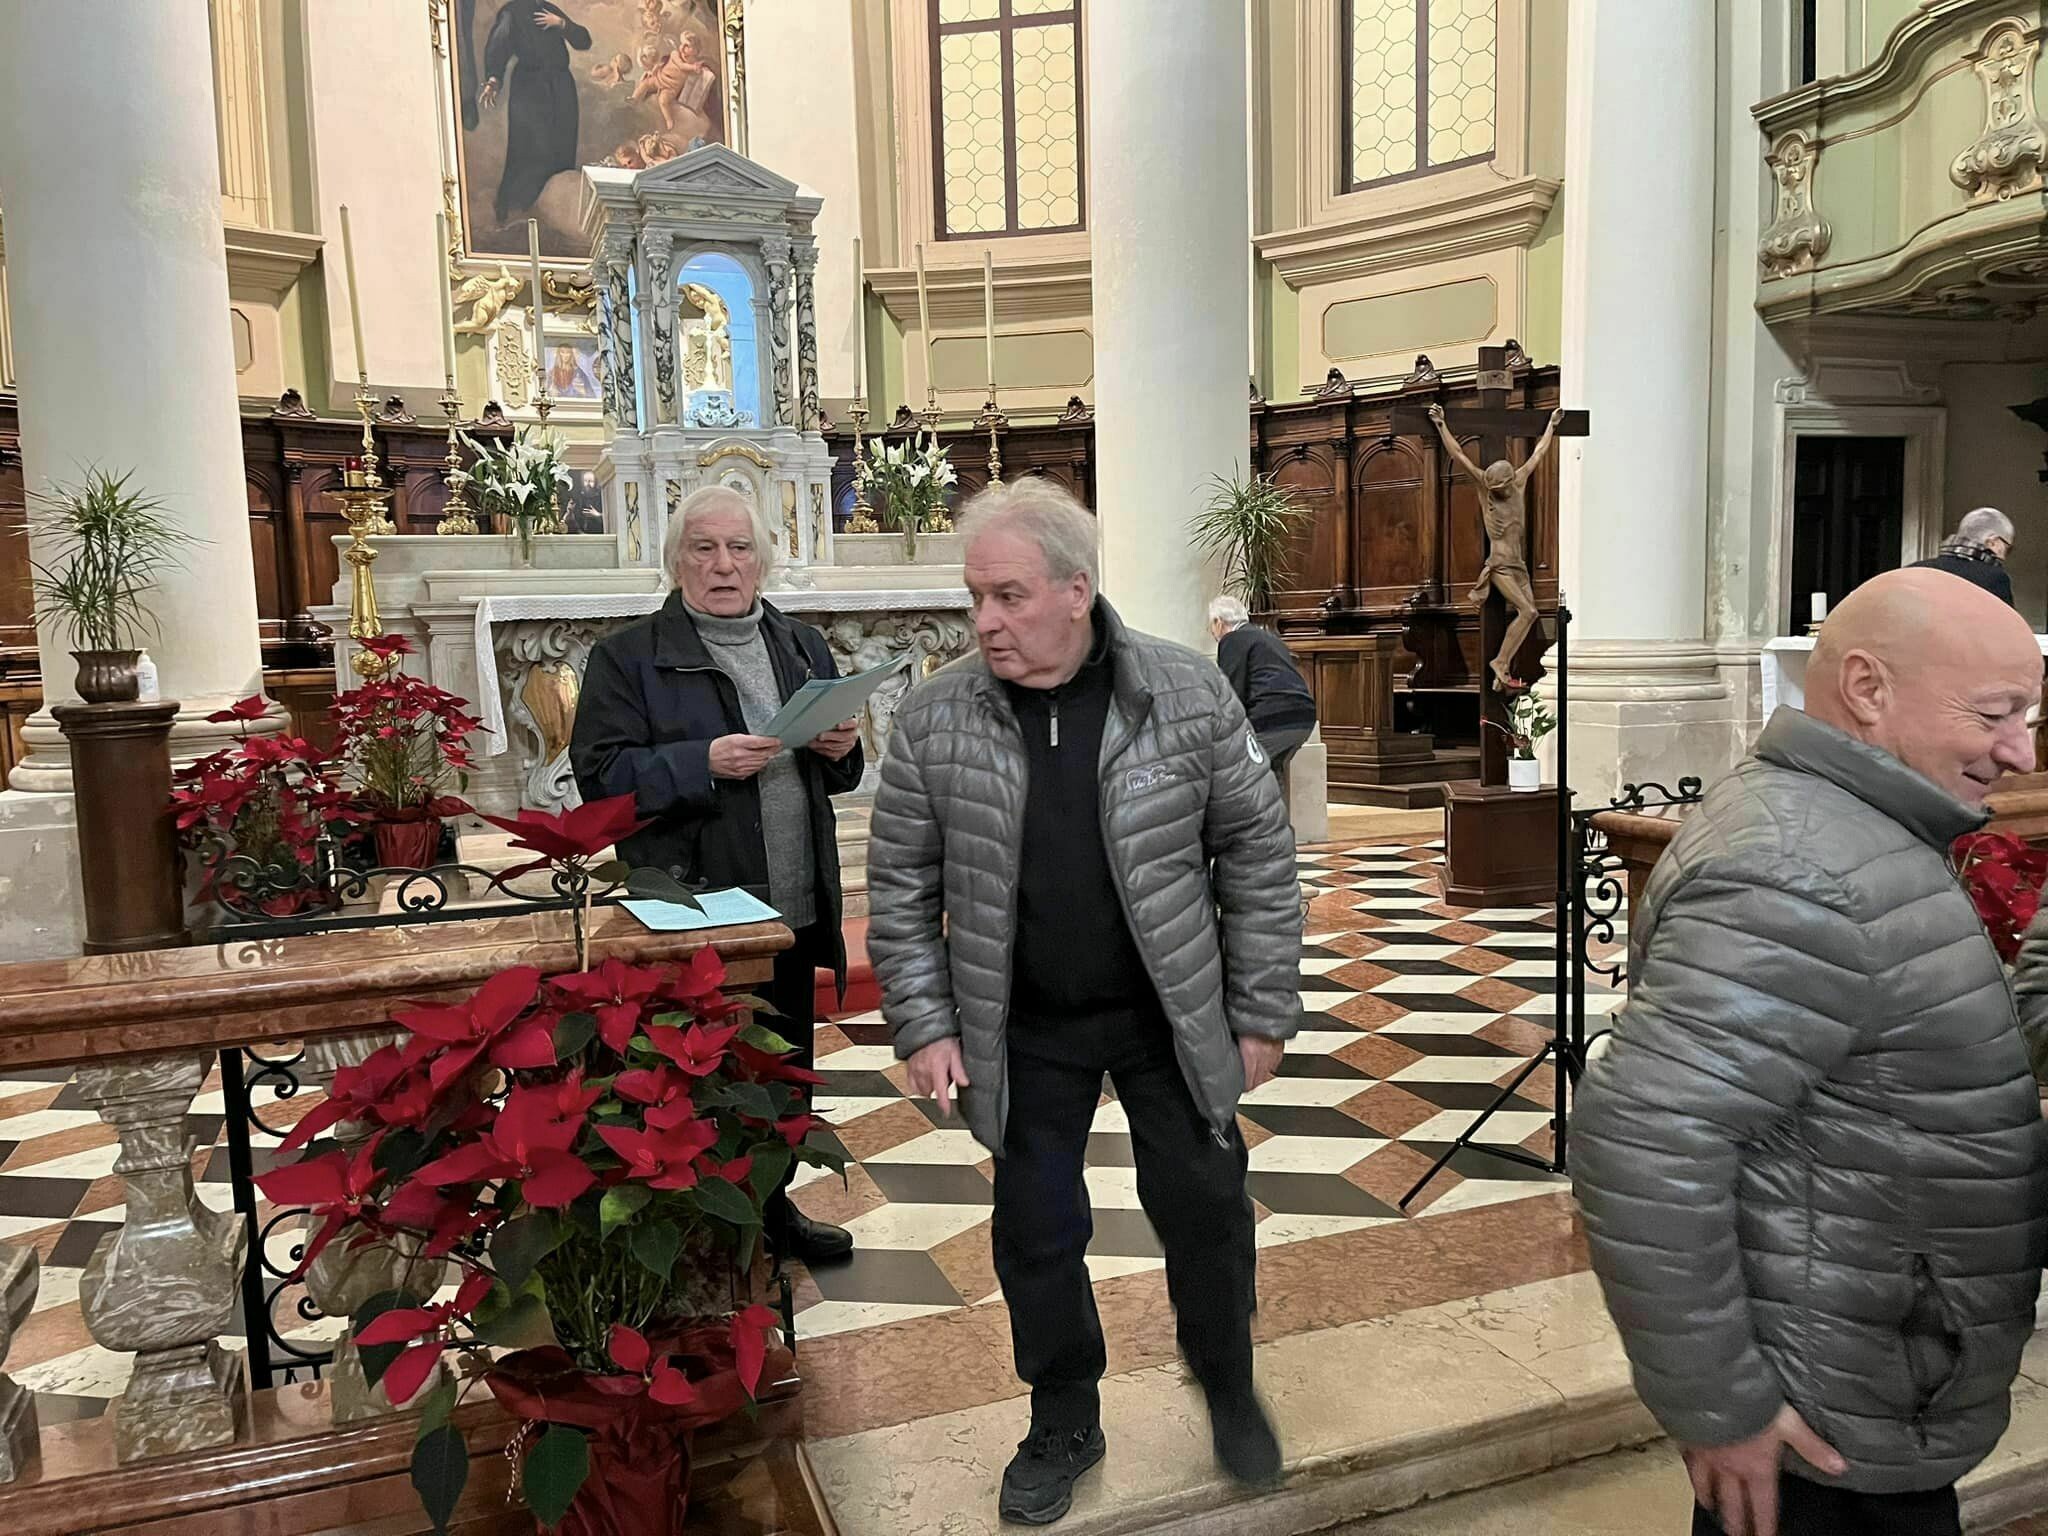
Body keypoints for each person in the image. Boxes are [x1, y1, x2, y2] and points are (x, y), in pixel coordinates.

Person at [1572, 566, 2048, 1536]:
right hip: (1830, 1411)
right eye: (1997, 714)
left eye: (2029, 717)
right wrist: (1719, 1401)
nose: (2021, 751)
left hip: (1873, 1364)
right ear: (1866, 688)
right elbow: (1645, 1143)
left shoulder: (1853, 830)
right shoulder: (1795, 867)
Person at [866, 478, 1302, 1526]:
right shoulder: (935, 715)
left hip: (1168, 1015)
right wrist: (924, 1023)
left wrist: (1260, 1011)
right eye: (976, 597)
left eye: (1008, 597)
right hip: (1021, 1023)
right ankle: (1063, 1413)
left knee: (1203, 1207)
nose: (986, 621)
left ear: (1076, 590)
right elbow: (899, 883)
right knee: (1035, 1226)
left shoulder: (1184, 693)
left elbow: (1257, 853)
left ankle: (1228, 1384)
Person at [570, 485, 863, 1265]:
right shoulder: (627, 657)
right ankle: (705, 1231)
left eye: (739, 549)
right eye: (705, 548)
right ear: (678, 561)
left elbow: (840, 771)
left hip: (793, 901)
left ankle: (772, 1209)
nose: (724, 565)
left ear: (762, 560)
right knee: (701, 1077)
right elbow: (600, 777)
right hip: (699, 904)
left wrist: (843, 750)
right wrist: (699, 762)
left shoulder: (802, 645)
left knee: (784, 1063)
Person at [478, 3, 592, 223]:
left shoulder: (547, 8)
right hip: (530, 88)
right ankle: (515, 208)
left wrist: (562, 24)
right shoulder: (512, 12)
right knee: (530, 146)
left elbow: (583, 41)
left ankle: (553, 208)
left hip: (560, 85)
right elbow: (499, 45)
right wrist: (493, 79)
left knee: (562, 143)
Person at [1209, 594, 1317, 784]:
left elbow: (1232, 693)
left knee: (1242, 776)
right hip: (1304, 718)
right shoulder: (1270, 638)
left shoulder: (1233, 639)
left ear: (1218, 622)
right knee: (1271, 775)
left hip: (1271, 720)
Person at [1910, 505, 2017, 606]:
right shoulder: (1995, 578)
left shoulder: (1915, 569)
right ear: (1992, 542)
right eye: (2008, 549)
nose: (2004, 557)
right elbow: (2005, 620)